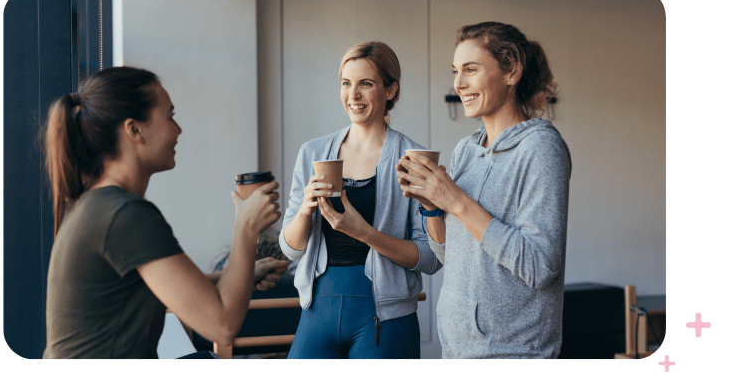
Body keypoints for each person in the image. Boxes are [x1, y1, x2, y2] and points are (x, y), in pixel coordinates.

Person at [41, 66, 286, 358]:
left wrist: (242, 273)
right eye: (170, 116)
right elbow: (222, 326)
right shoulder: (124, 215)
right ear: (134, 130)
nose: (178, 130)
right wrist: (246, 225)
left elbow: (158, 283)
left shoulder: (97, 205)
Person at [396, 22, 571, 358]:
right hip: (457, 349)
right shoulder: (466, 150)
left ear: (512, 72)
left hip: (512, 353)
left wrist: (458, 202)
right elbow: (451, 255)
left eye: (471, 70)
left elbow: (540, 267)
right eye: (456, 71)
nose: (458, 83)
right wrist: (432, 207)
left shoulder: (541, 149)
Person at [279, 41, 442, 359]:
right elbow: (291, 248)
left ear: (390, 90)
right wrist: (304, 210)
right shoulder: (313, 153)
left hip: (386, 320)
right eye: (346, 83)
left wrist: (363, 232)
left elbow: (430, 258)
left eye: (365, 84)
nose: (352, 96)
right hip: (317, 312)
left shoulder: (413, 159)